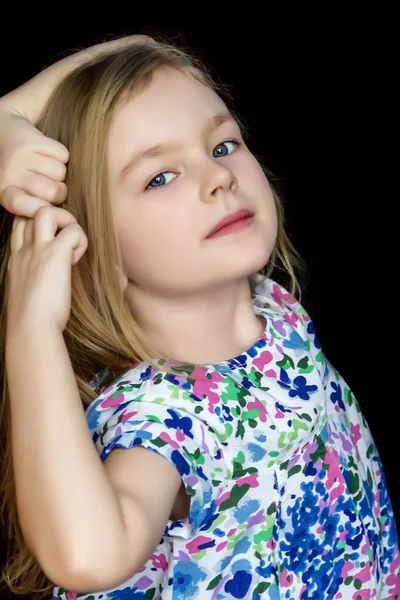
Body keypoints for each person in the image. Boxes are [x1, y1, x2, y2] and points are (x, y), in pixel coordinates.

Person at [0, 35, 398, 600]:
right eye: (160, 177)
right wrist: (31, 330)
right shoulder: (161, 414)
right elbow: (84, 557)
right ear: (87, 248)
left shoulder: (271, 308)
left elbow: (142, 42)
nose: (220, 177)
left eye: (222, 145)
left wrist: (5, 117)